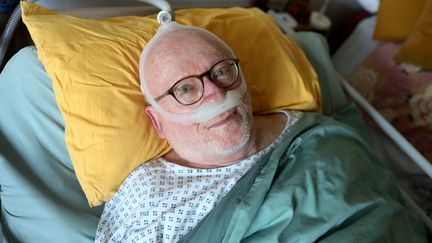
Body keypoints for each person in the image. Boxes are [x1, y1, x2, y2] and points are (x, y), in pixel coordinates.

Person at [95, 22, 428, 243]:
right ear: (158, 122)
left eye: (221, 71)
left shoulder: (317, 133)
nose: (215, 93)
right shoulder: (147, 196)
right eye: (185, 90)